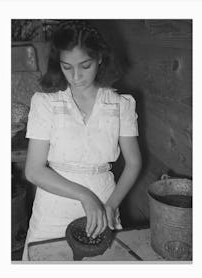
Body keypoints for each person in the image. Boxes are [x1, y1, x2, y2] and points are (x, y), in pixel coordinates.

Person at [22, 20, 142, 261]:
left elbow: (134, 163)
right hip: (54, 203)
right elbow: (34, 171)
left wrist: (110, 205)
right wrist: (85, 196)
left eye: (85, 65)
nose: (76, 76)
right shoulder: (46, 102)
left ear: (99, 58)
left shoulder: (120, 104)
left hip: (105, 198)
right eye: (67, 67)